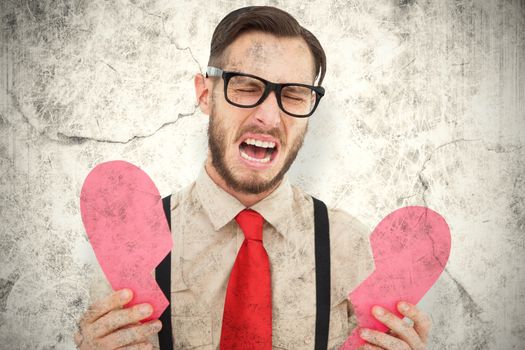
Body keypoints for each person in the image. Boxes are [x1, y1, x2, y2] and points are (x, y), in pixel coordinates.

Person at [74, 6, 432, 350]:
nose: (269, 117)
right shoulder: (133, 245)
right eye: (246, 87)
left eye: (293, 94)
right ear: (204, 94)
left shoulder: (349, 246)